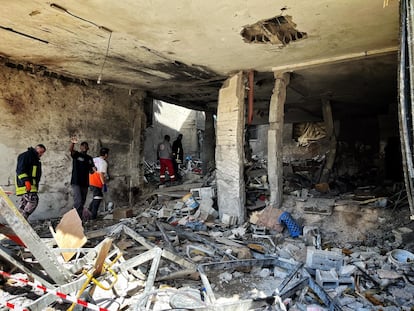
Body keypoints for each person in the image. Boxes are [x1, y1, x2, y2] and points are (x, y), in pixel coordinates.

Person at [15, 144, 47, 219]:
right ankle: (23, 219)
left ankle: (17, 220)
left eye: (43, 153)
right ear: (37, 148)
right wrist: (26, 181)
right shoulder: (26, 156)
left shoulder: (35, 159)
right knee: (33, 201)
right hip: (26, 185)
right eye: (40, 151)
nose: (41, 154)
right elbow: (20, 170)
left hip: (31, 185)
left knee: (24, 204)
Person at [69, 137, 95, 218]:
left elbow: (91, 170)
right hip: (76, 182)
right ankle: (75, 219)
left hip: (85, 183)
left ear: (88, 148)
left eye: (85, 146)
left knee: (82, 201)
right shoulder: (77, 155)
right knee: (78, 201)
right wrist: (73, 143)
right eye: (82, 146)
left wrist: (94, 170)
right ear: (80, 147)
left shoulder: (89, 158)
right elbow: (71, 150)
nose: (84, 147)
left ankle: (78, 219)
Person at [88, 147, 109, 220]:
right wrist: (104, 184)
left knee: (96, 197)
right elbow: (101, 174)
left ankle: (89, 211)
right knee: (98, 198)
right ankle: (93, 217)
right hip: (97, 182)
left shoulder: (94, 159)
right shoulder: (103, 162)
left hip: (90, 181)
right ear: (106, 155)